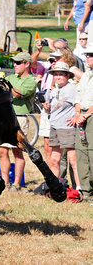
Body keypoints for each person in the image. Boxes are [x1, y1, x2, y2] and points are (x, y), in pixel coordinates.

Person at [0, 52, 37, 191]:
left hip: (19, 118)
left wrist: (4, 85)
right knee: (2, 151)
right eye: (14, 62)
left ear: (27, 64)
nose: (15, 65)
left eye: (18, 62)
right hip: (4, 118)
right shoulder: (11, 77)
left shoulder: (30, 81)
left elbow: (17, 93)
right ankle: (5, 183)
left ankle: (17, 184)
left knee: (17, 152)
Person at [43, 62, 81, 194]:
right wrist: (47, 108)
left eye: (61, 74)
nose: (58, 77)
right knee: (54, 160)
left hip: (67, 128)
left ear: (67, 76)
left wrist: (77, 116)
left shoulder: (73, 89)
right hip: (54, 127)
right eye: (56, 74)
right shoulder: (54, 90)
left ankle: (79, 189)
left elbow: (79, 103)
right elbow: (53, 109)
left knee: (73, 160)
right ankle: (56, 188)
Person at [69, 46, 93, 202]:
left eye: (91, 55)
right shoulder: (86, 76)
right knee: (81, 153)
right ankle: (86, 192)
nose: (88, 57)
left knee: (92, 152)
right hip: (81, 117)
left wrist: (85, 115)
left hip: (90, 116)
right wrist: (78, 114)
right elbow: (78, 97)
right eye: (87, 55)